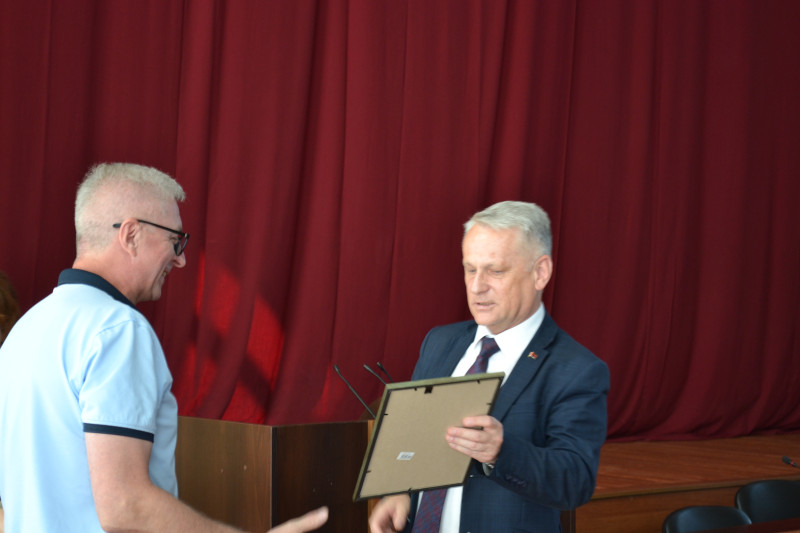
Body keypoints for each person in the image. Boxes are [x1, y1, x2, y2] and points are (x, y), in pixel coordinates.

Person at [0, 163, 328, 533]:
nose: (180, 258)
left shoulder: (24, 331)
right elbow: (125, 506)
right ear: (131, 235)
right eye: (175, 239)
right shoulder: (118, 330)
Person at [369, 200, 610, 533]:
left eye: (495, 271)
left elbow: (574, 482)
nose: (477, 286)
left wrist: (501, 452)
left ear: (540, 272)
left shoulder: (576, 369)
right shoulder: (439, 342)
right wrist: (398, 492)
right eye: (470, 269)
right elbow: (413, 440)